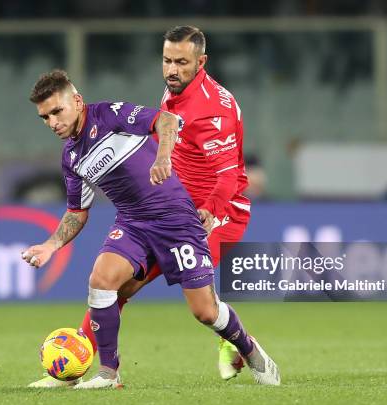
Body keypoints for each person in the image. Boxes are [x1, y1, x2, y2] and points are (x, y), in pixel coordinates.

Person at [23, 69, 280, 389]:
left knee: (205, 312)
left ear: (76, 101)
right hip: (133, 222)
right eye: (45, 117)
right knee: (102, 281)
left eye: (57, 111)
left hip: (175, 220)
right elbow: (77, 211)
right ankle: (108, 373)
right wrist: (50, 246)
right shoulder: (71, 156)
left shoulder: (108, 115)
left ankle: (251, 351)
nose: (53, 122)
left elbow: (167, 121)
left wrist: (162, 158)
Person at [74, 25, 258, 382]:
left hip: (217, 212)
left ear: (201, 62)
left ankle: (236, 344)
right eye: (167, 60)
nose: (172, 69)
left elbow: (228, 177)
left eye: (182, 62)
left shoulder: (211, 111)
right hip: (168, 206)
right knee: (116, 285)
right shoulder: (175, 91)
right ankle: (76, 362)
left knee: (204, 309)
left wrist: (208, 211)